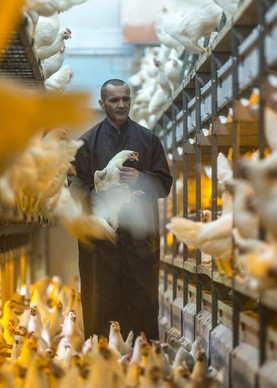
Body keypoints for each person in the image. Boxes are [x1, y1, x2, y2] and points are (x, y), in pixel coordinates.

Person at [69, 79, 173, 340]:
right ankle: (101, 363)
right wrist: (98, 194)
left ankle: (143, 366)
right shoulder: (87, 143)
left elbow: (164, 184)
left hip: (139, 242)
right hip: (101, 243)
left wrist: (140, 178)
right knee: (100, 300)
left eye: (126, 99)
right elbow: (74, 184)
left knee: (141, 304)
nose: (121, 104)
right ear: (102, 103)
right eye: (114, 100)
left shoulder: (148, 140)